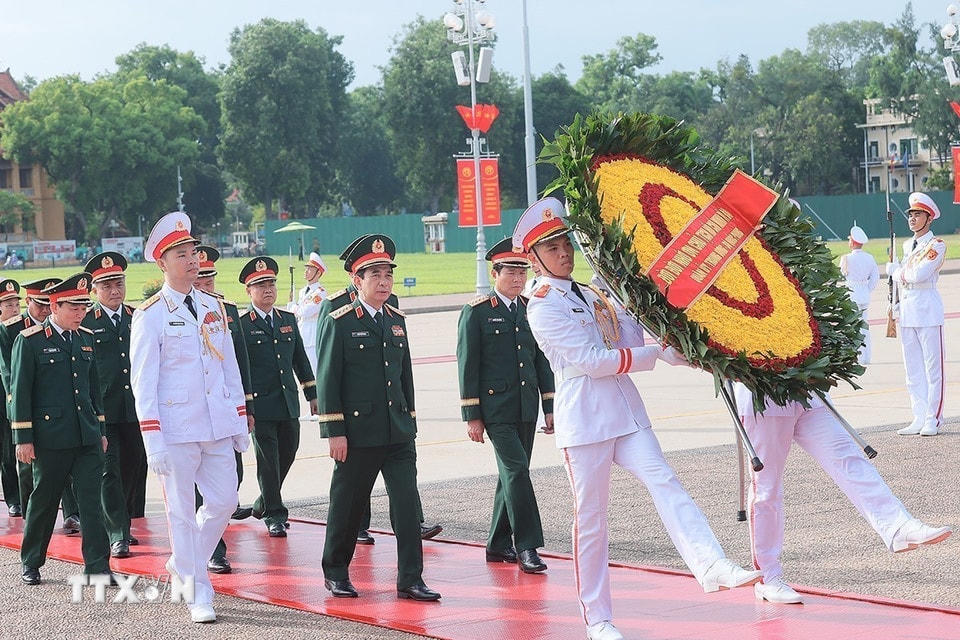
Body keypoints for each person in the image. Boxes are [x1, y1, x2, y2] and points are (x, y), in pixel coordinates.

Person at [516, 198, 761, 640]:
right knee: (591, 520)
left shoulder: (592, 294)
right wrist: (652, 354)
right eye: (552, 249)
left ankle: (711, 563)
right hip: (586, 422)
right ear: (533, 260)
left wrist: (700, 354)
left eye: (565, 243)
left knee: (665, 480)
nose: (564, 253)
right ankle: (598, 620)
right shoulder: (542, 304)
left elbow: (634, 337)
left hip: (625, 415)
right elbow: (592, 360)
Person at [130, 211, 251, 623]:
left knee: (225, 500)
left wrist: (239, 418)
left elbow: (228, 366)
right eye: (181, 254)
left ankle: (185, 562)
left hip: (216, 423)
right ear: (162, 263)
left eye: (193, 252)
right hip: (176, 429)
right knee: (180, 511)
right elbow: (143, 383)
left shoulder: (214, 305)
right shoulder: (150, 314)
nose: (191, 260)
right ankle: (199, 591)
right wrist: (153, 440)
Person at [735, 383, 952, 603]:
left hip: (808, 394)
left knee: (849, 459)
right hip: (763, 400)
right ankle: (768, 576)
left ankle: (897, 526)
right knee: (767, 487)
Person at [317, 234, 440, 602]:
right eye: (375, 275)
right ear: (357, 280)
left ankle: (410, 579)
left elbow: (405, 377)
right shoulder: (340, 321)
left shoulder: (396, 320)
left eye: (388, 275)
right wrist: (334, 431)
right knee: (348, 505)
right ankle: (336, 571)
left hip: (398, 432)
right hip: (357, 433)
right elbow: (328, 378)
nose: (384, 282)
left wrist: (411, 421)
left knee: (406, 507)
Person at [457, 237, 554, 573]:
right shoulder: (478, 312)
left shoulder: (531, 309)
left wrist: (550, 406)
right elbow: (468, 366)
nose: (517, 278)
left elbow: (541, 360)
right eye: (510, 272)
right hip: (495, 410)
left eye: (521, 271)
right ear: (494, 273)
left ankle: (498, 545)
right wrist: (472, 415)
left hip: (526, 407)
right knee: (517, 472)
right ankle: (526, 545)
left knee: (510, 476)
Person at [11, 274, 113, 585]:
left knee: (92, 504)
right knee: (44, 501)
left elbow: (93, 389)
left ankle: (97, 567)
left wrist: (101, 429)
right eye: (74, 307)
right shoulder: (30, 341)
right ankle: (31, 561)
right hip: (50, 439)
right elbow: (21, 390)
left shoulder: (84, 337)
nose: (81, 313)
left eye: (84, 306)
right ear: (55, 306)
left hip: (86, 438)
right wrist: (23, 439)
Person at [239, 256, 317, 537]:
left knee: (289, 451)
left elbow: (300, 358)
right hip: (260, 407)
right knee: (268, 460)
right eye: (260, 285)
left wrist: (312, 391)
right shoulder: (242, 325)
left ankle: (262, 501)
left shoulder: (287, 319)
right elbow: (240, 369)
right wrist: (245, 406)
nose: (267, 289)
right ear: (249, 291)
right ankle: (274, 513)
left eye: (271, 283)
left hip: (287, 403)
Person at [0, 277, 81, 532]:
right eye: (41, 304)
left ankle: (71, 513)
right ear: (29, 302)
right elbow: (9, 375)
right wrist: (18, 414)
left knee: (65, 461)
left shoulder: (64, 327)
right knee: (27, 466)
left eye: (50, 304)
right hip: (25, 408)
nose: (46, 310)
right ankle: (27, 513)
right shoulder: (12, 330)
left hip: (57, 409)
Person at [194, 245, 256, 573]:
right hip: (193, 418)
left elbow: (238, 363)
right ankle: (214, 550)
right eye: (199, 278)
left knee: (232, 479)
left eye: (209, 278)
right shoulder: (179, 311)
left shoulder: (225, 310)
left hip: (225, 411)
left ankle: (213, 535)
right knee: (198, 487)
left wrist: (246, 407)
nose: (204, 283)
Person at [81, 252, 144, 560]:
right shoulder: (88, 322)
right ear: (95, 290)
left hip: (135, 407)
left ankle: (123, 520)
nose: (114, 291)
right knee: (110, 471)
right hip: (104, 410)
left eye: (118, 284)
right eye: (106, 286)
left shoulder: (137, 316)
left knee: (134, 465)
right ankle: (117, 532)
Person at [886, 192, 946, 437]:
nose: (912, 218)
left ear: (929, 218)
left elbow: (918, 274)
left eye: (918, 214)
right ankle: (918, 415)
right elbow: (903, 279)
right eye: (910, 214)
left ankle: (933, 418)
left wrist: (896, 272)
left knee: (933, 369)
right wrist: (894, 303)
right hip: (908, 312)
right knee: (912, 370)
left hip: (927, 309)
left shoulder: (936, 245)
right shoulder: (905, 245)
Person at [839, 225, 879, 365]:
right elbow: (875, 278)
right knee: (864, 326)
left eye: (850, 239)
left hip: (851, 294)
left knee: (851, 327)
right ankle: (866, 357)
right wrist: (866, 289)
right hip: (863, 294)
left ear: (853, 242)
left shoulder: (846, 259)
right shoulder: (869, 257)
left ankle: (854, 356)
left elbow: (842, 276)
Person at [0, 279, 21, 517]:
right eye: (9, 305)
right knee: (6, 453)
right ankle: (12, 498)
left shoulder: (19, 331)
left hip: (13, 397)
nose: (14, 309)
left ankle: (20, 497)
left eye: (16, 304)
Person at [287, 251, 327, 377]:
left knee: (314, 369)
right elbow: (296, 312)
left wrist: (294, 307)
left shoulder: (320, 293)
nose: (306, 271)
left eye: (310, 269)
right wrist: (293, 305)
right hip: (301, 331)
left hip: (312, 334)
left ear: (318, 273)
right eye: (307, 268)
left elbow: (306, 312)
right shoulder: (303, 291)